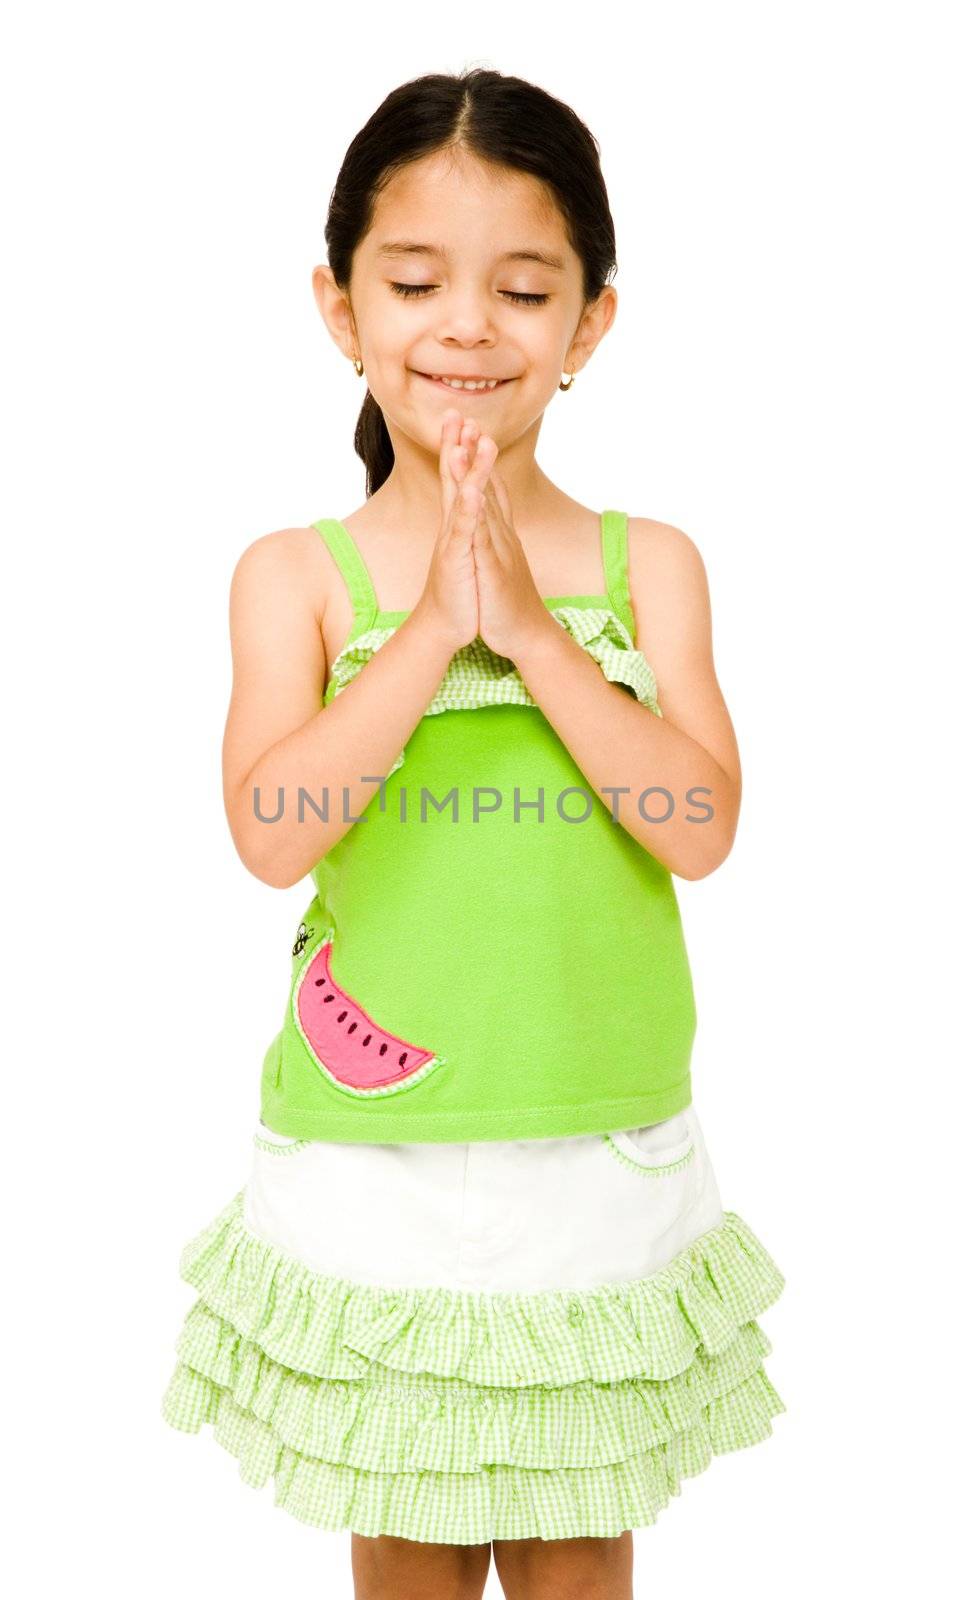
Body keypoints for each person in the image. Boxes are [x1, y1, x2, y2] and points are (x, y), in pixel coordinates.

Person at [161, 65, 786, 1600]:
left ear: (588, 325)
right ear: (339, 305)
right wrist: (437, 627)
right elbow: (272, 829)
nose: (464, 327)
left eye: (522, 288)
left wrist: (540, 638)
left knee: (581, 1551)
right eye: (414, 281)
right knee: (415, 1545)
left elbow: (699, 827)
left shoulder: (651, 564)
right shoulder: (296, 576)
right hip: (376, 1156)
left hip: (600, 1142)